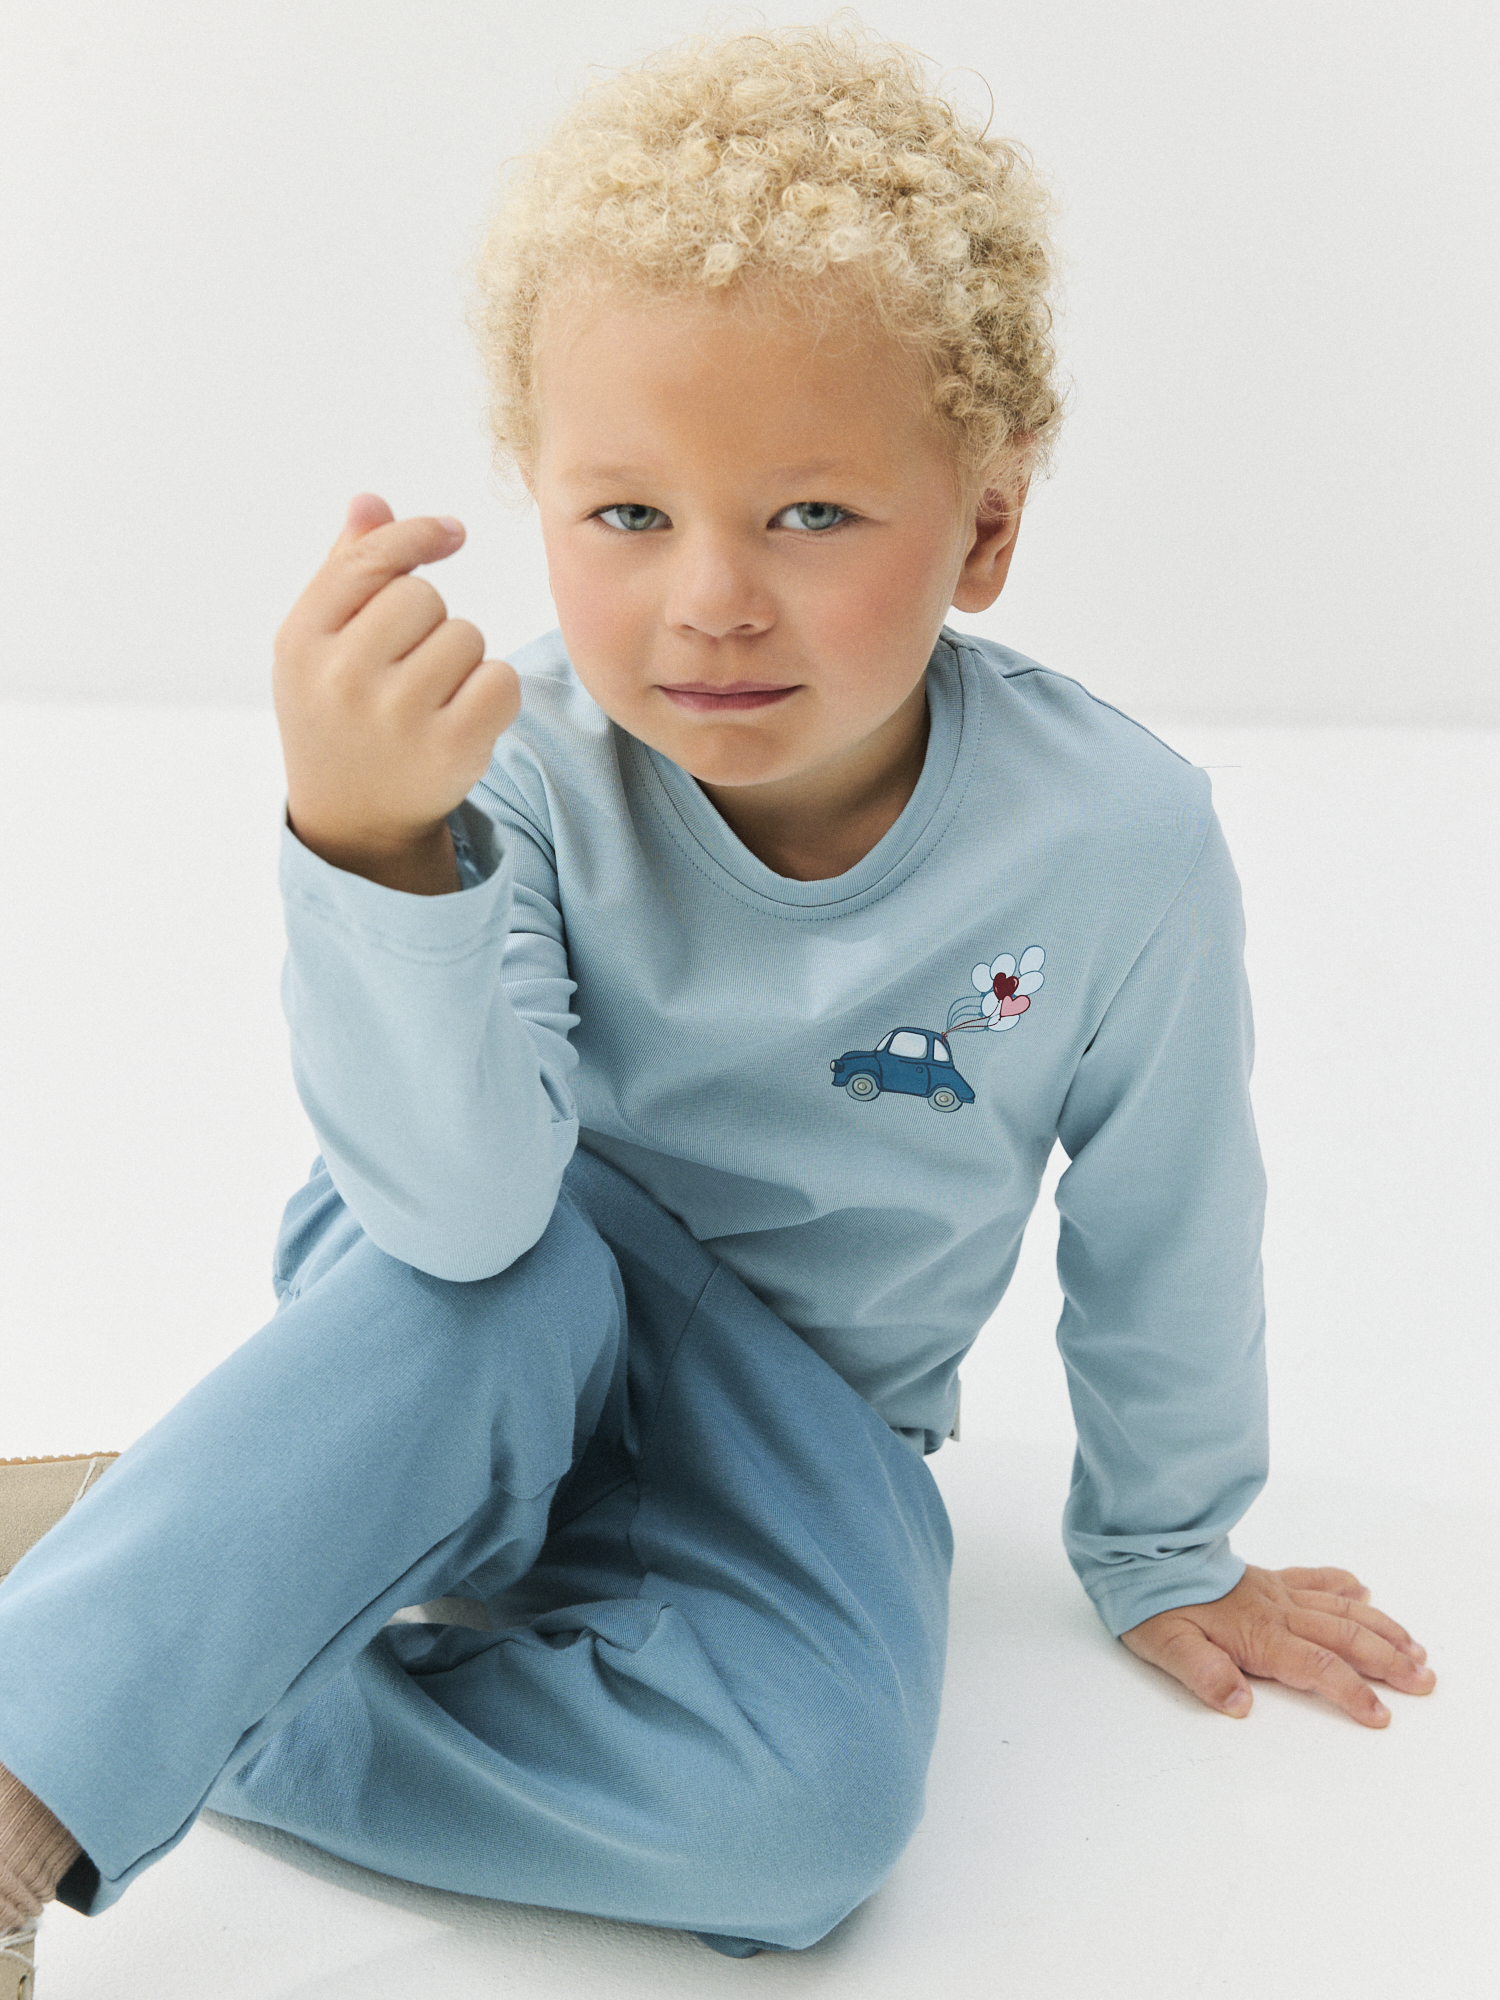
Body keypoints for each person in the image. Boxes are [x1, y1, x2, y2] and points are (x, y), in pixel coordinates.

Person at [0, 22, 1435, 1989]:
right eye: (627, 517)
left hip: (801, 1433)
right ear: (540, 498)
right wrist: (372, 842)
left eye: (812, 516)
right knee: (518, 1274)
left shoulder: (1118, 843)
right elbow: (456, 1219)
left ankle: (148, 1615)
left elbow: (1172, 1215)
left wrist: (1164, 1544)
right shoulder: (514, 768)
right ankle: (37, 1767)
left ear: (986, 526)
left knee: (804, 1834)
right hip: (470, 1319)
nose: (712, 599)